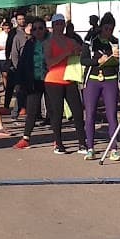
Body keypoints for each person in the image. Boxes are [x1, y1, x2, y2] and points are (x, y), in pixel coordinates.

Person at [40, 16, 85, 154]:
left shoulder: (70, 41)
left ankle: (82, 143)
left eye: (62, 24)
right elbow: (50, 63)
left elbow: (81, 51)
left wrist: (79, 51)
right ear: (53, 25)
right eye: (57, 24)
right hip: (54, 80)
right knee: (57, 113)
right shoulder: (48, 42)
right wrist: (65, 54)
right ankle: (58, 143)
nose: (60, 26)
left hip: (70, 79)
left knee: (77, 112)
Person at [80, 18, 120, 160]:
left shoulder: (115, 41)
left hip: (110, 80)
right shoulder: (91, 41)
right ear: (101, 28)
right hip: (93, 79)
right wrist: (97, 61)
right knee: (90, 114)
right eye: (106, 29)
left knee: (112, 115)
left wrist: (118, 57)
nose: (108, 32)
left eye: (111, 29)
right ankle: (90, 147)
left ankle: (114, 149)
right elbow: (83, 60)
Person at [12, 17, 52, 150]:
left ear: (45, 28)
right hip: (34, 81)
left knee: (53, 109)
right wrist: (19, 82)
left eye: (41, 28)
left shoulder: (51, 41)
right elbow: (22, 63)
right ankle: (26, 138)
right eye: (34, 29)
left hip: (50, 79)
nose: (38, 31)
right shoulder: (30, 44)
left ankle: (57, 139)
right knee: (32, 110)